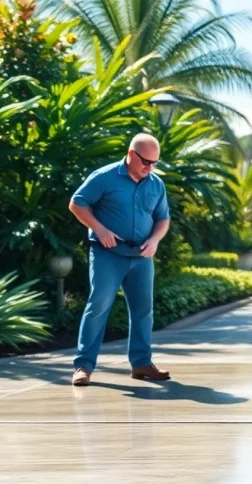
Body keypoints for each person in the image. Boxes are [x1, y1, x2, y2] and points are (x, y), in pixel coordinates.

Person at [68, 133, 172, 387]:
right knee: (99, 306)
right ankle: (83, 366)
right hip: (108, 255)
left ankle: (141, 363)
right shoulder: (104, 177)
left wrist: (155, 240)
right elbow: (77, 203)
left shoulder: (156, 184)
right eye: (146, 161)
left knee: (143, 310)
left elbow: (163, 218)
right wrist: (99, 229)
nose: (150, 167)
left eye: (154, 162)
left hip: (141, 258)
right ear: (131, 154)